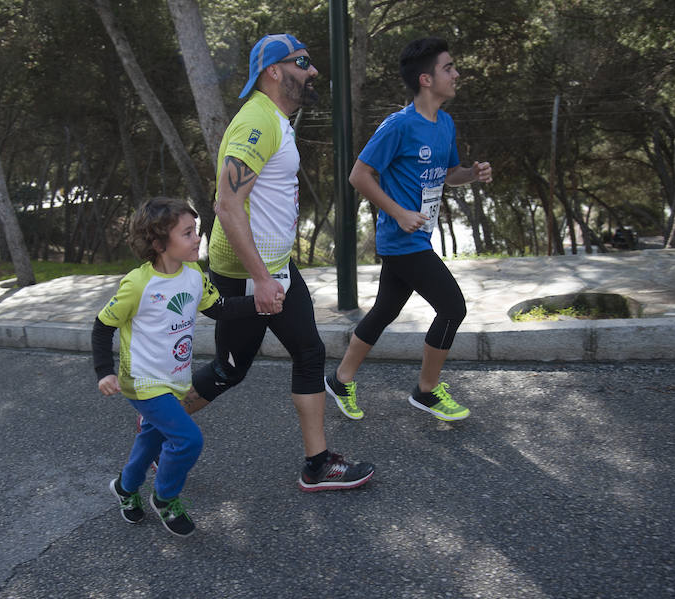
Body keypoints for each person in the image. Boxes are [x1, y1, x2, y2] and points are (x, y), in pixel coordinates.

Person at [185, 34, 375, 492]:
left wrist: (274, 270)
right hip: (249, 277)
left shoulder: (277, 120)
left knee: (308, 352)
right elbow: (226, 205)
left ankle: (317, 464)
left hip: (275, 268)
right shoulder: (257, 122)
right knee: (231, 369)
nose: (313, 72)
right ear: (274, 70)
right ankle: (155, 425)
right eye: (303, 63)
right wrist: (261, 278)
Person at [324, 37, 493, 422]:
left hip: (417, 236)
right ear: (426, 79)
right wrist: (399, 213)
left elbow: (450, 174)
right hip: (402, 239)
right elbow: (359, 175)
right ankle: (427, 391)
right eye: (448, 68)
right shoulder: (398, 126)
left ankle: (340, 379)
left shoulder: (445, 123)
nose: (456, 74)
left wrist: (472, 174)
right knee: (452, 307)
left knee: (384, 310)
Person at [92, 197, 266, 537]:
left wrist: (261, 304)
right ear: (158, 244)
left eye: (195, 231)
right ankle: (165, 497)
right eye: (187, 233)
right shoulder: (138, 284)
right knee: (187, 439)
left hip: (175, 379)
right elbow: (102, 326)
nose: (197, 239)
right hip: (142, 382)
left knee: (151, 440)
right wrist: (104, 372)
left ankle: (126, 488)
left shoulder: (193, 277)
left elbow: (220, 309)